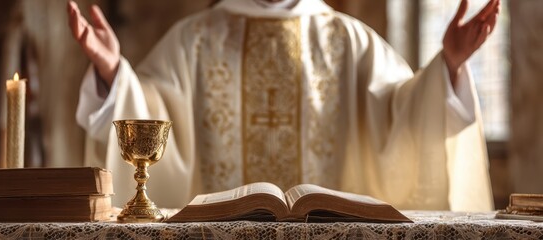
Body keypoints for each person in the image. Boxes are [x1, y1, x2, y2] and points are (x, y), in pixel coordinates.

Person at [68, 0, 500, 210]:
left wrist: (449, 66)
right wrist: (114, 75)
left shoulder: (349, 39)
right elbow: (147, 112)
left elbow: (403, 114)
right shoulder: (193, 39)